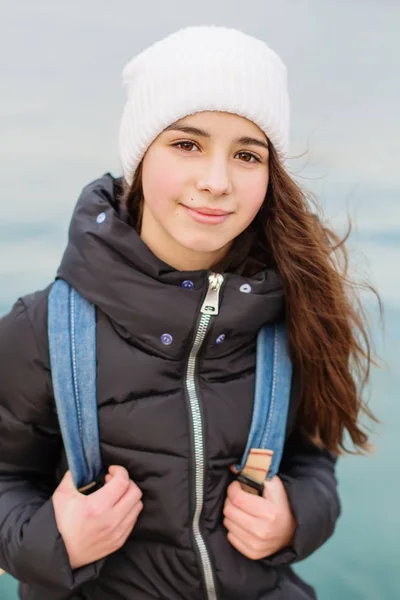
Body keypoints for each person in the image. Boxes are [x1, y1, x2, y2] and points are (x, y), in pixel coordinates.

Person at [0, 26, 378, 600]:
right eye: (187, 144)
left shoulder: (293, 309)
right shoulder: (41, 329)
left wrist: (295, 518)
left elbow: (313, 454)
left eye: (247, 155)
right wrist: (53, 540)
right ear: (139, 157)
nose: (216, 181)